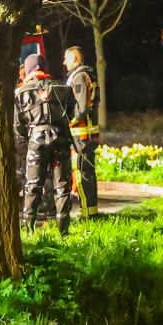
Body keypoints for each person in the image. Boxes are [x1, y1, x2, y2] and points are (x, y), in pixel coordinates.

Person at [15, 51, 75, 233]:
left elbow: (18, 125)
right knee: (62, 186)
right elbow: (70, 114)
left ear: (28, 69)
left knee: (32, 185)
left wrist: (26, 143)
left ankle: (28, 229)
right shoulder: (64, 88)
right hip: (61, 138)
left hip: (36, 140)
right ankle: (63, 230)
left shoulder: (21, 92)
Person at [64, 45, 100, 216]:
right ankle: (90, 211)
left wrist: (70, 122)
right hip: (88, 133)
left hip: (81, 134)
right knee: (87, 171)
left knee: (81, 172)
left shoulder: (78, 77)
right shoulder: (87, 74)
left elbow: (82, 107)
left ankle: (88, 214)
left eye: (67, 58)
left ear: (75, 59)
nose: (64, 63)